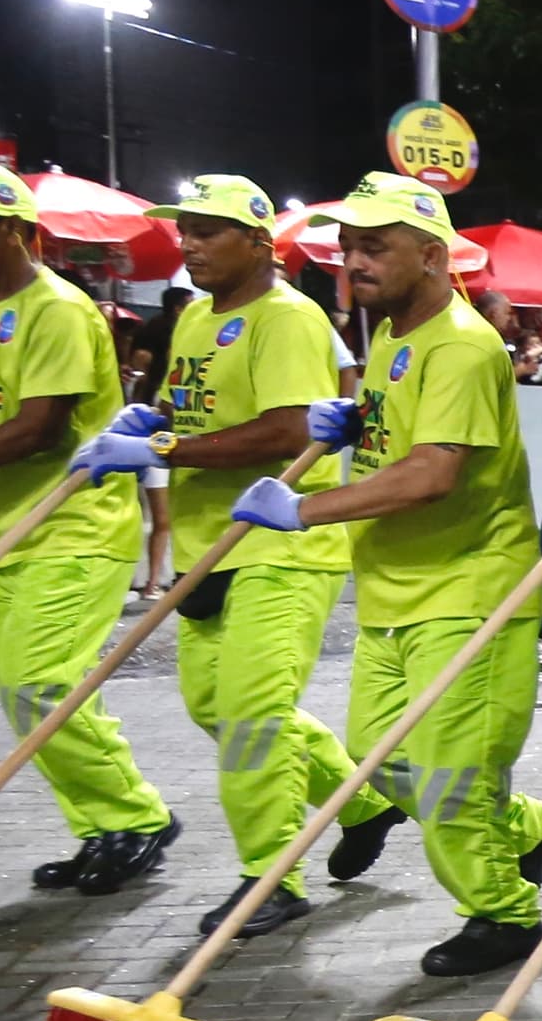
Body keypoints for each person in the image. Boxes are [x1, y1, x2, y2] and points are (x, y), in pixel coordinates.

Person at [229, 174, 542, 977]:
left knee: (452, 776)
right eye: (348, 245)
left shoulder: (459, 342)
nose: (353, 260)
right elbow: (399, 436)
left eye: (374, 245)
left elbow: (430, 475)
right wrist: (353, 420)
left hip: (470, 593)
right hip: (394, 591)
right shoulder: (393, 337)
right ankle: (524, 829)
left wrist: (302, 509)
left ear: (430, 255)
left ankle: (502, 913)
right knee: (381, 757)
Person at [129, 173, 391, 936]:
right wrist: (147, 419)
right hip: (208, 543)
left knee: (252, 715)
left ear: (257, 241)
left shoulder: (288, 320)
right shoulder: (195, 321)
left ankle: (270, 876)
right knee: (214, 707)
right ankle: (363, 801)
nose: (190, 244)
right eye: (186, 229)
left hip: (280, 544)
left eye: (208, 231)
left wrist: (166, 443)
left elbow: (287, 432)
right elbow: (188, 410)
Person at [0, 161, 175, 892]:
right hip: (7, 528)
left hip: (73, 524)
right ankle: (100, 828)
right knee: (22, 694)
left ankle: (136, 817)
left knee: (43, 684)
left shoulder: (57, 307)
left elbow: (37, 429)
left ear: (13, 227)